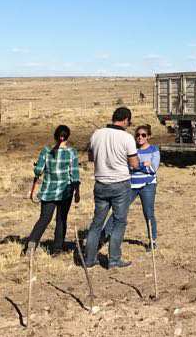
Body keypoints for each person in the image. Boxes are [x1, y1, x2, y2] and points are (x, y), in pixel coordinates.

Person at [83, 107, 140, 269]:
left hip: (100, 183)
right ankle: (114, 259)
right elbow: (134, 163)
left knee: (96, 223)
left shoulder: (97, 134)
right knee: (119, 221)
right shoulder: (127, 138)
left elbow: (91, 157)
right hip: (120, 184)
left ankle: (89, 259)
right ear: (126, 120)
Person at [100, 124, 160, 251]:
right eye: (137, 135)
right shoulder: (131, 149)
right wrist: (143, 165)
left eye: (143, 135)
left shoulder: (154, 150)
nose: (140, 137)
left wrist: (136, 165)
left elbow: (153, 168)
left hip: (148, 185)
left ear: (149, 136)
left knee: (148, 213)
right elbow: (126, 167)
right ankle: (103, 236)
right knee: (118, 210)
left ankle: (153, 240)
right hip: (130, 185)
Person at [24, 124, 80, 256]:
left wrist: (36, 167)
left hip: (48, 190)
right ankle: (57, 248)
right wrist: (77, 191)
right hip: (65, 191)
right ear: (67, 137)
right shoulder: (72, 152)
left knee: (44, 219)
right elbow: (75, 174)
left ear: (55, 136)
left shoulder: (46, 151)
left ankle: (31, 244)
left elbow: (38, 171)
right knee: (61, 219)